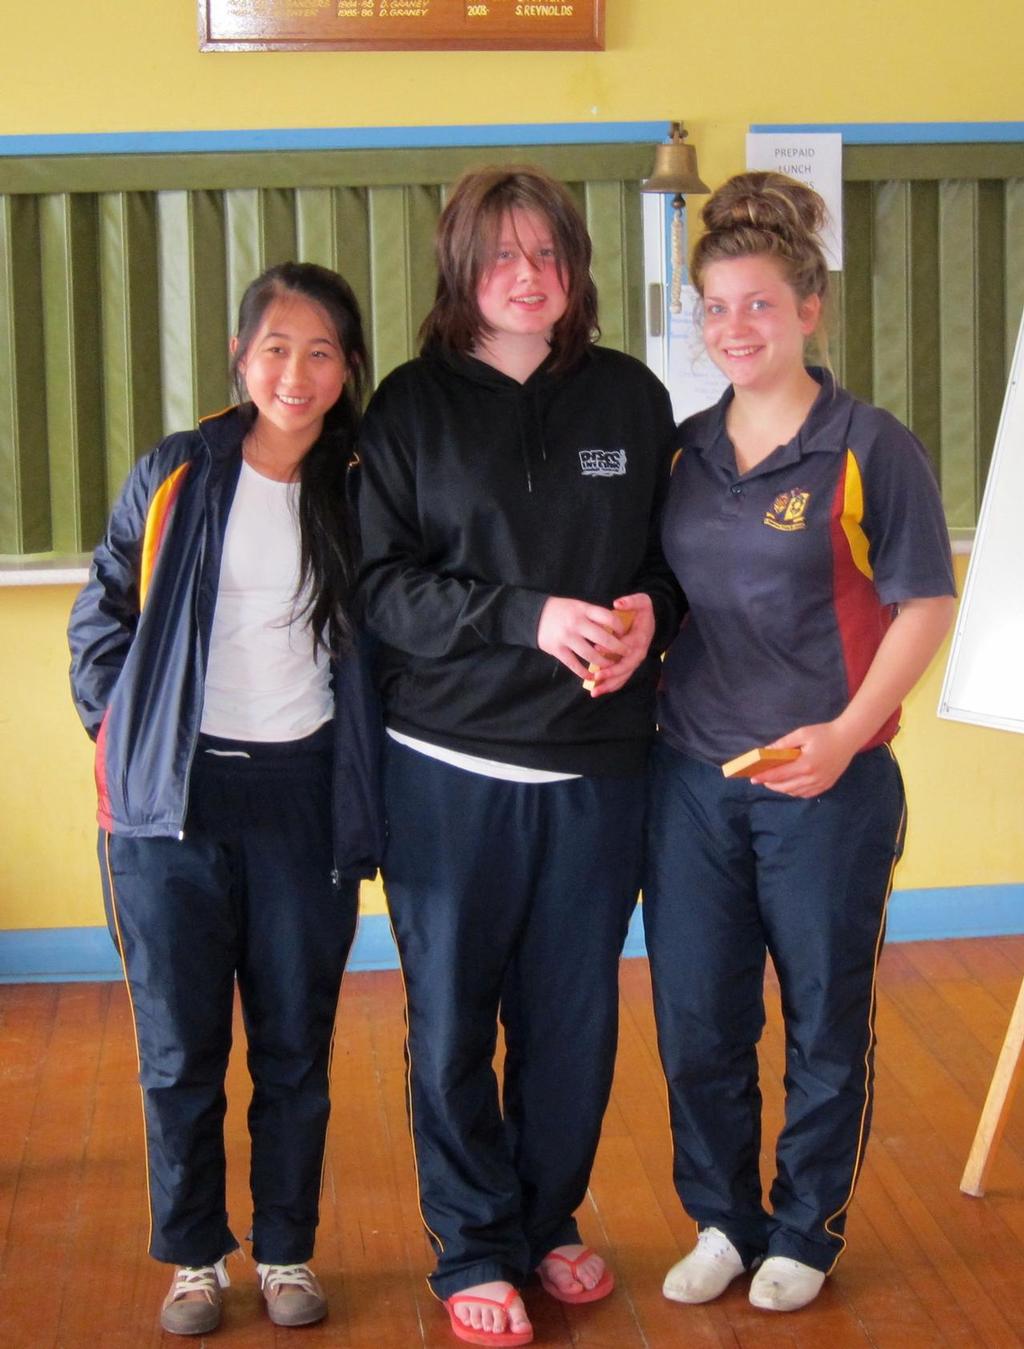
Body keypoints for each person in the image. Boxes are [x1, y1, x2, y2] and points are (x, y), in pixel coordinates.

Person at [356, 165, 678, 1346]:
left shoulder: (634, 401)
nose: (528, 276)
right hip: (447, 766)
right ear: (460, 270)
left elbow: (670, 566)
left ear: (576, 270)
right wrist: (523, 615)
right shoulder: (406, 406)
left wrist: (649, 613)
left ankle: (546, 1219)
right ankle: (471, 1245)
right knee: (449, 1021)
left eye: (548, 254)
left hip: (600, 768)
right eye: (502, 256)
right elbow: (382, 588)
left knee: (572, 1022)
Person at [643, 171, 957, 1314]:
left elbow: (924, 601)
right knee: (696, 1017)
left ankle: (803, 1226)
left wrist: (845, 731)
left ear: (810, 309)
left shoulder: (869, 443)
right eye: (715, 307)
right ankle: (722, 1218)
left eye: (759, 305)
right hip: (689, 779)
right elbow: (662, 596)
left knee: (824, 1012)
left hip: (828, 781)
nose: (734, 327)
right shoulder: (681, 451)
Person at [67, 262, 383, 1336]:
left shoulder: (362, 481)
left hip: (302, 798)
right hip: (172, 806)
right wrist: (124, 731)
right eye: (276, 347)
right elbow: (101, 614)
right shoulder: (180, 472)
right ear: (241, 359)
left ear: (348, 369)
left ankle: (286, 1247)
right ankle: (196, 1255)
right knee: (179, 1047)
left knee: (296, 1040)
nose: (296, 372)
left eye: (322, 350)